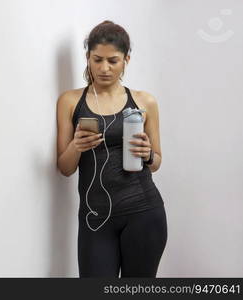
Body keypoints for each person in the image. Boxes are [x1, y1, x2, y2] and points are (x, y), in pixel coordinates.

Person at [56, 20, 168, 278]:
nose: (104, 68)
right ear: (87, 57)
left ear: (126, 59)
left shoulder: (145, 101)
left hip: (144, 213)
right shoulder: (70, 101)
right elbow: (65, 168)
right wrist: (76, 145)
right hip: (94, 219)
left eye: (113, 61)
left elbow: (157, 161)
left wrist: (148, 153)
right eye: (97, 59)